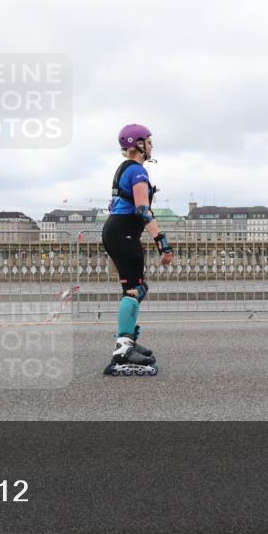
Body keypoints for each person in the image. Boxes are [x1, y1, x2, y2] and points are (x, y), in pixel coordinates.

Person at [101, 123, 173, 376]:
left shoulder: (124, 169)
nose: (152, 146)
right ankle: (123, 350)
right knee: (135, 289)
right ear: (139, 145)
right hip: (124, 232)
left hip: (117, 230)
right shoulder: (138, 172)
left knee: (133, 288)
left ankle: (127, 342)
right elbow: (142, 210)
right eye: (149, 141)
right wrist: (162, 241)